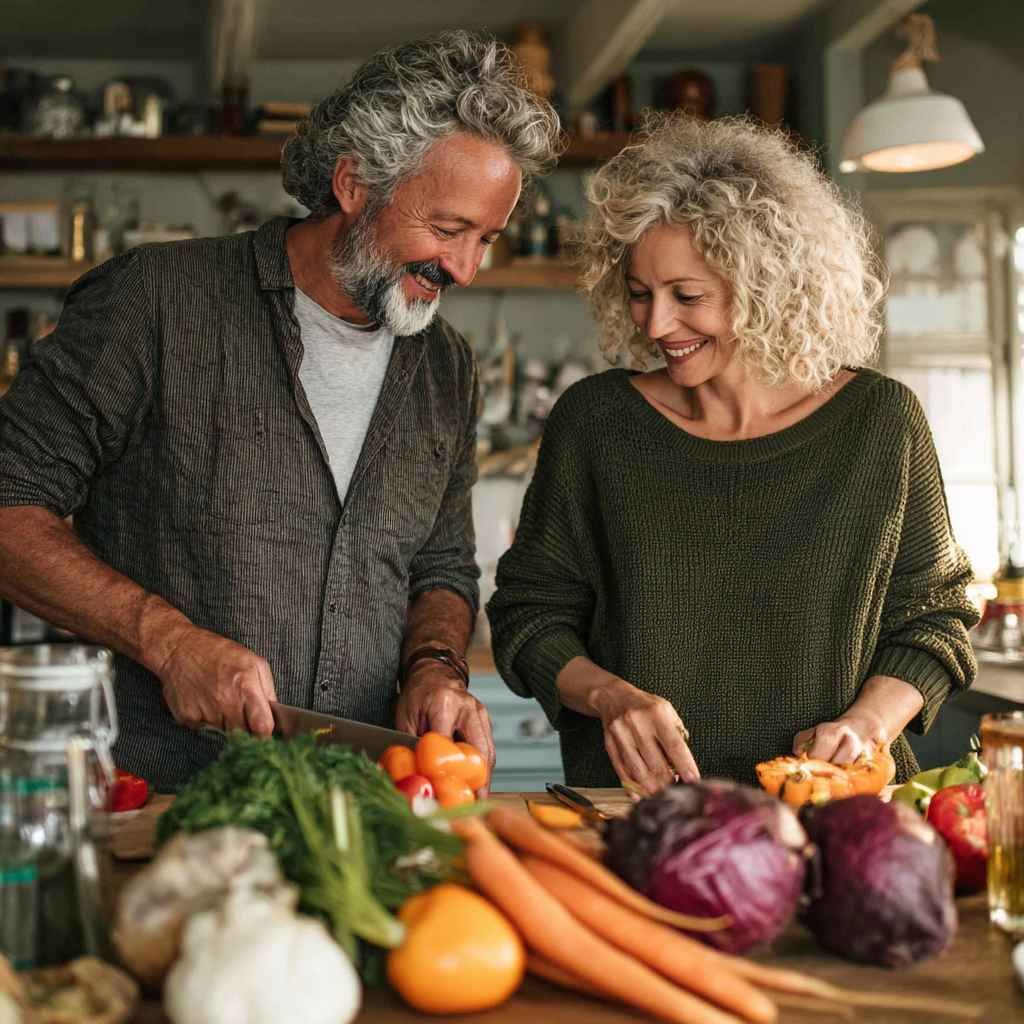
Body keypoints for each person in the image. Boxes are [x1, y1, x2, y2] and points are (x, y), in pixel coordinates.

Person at [0, 31, 561, 793]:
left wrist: (435, 666)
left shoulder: (446, 366)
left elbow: (440, 564)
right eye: (448, 229)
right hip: (161, 801)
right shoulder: (156, 302)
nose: (463, 267)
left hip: (364, 802)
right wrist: (168, 644)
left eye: (486, 240)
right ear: (355, 184)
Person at [486, 114, 978, 794]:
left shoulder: (881, 424)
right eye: (638, 294)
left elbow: (935, 617)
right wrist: (609, 697)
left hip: (835, 812)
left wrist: (868, 724)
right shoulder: (596, 423)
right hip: (640, 817)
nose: (655, 325)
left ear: (768, 288)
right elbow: (529, 612)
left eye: (688, 296)